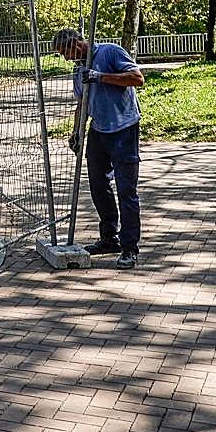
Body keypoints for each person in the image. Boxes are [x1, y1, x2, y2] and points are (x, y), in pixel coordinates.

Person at [53, 27, 145, 269]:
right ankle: (108, 238)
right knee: (98, 185)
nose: (66, 58)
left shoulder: (110, 52)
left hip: (124, 129)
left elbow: (137, 79)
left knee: (127, 189)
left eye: (65, 52)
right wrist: (76, 131)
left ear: (76, 43)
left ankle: (129, 247)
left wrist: (101, 76)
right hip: (98, 131)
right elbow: (81, 102)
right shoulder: (78, 70)